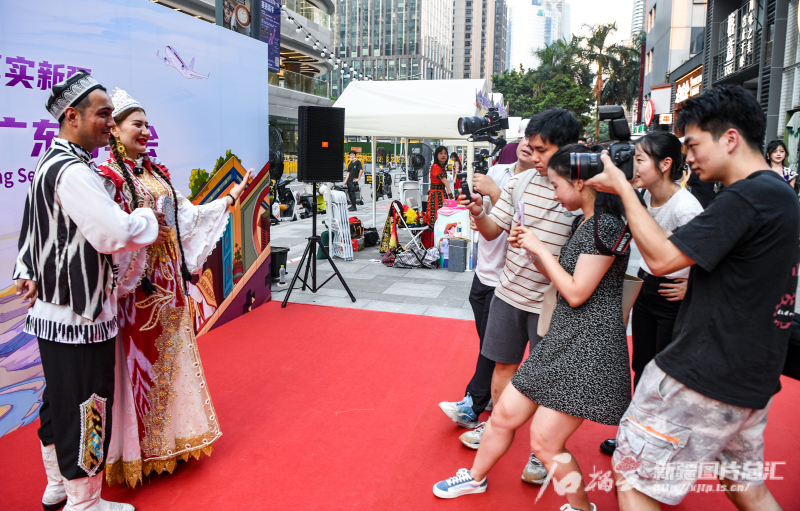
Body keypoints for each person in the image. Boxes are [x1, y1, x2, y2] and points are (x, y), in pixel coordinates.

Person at [587, 85, 798, 510]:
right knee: (746, 487)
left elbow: (662, 258)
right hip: (749, 375)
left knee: (631, 474)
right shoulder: (780, 196)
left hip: (705, 371)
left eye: (694, 144)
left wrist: (623, 189)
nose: (690, 156)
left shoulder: (748, 196)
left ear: (731, 139)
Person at [433, 145, 631, 511]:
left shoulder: (607, 227)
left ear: (580, 182)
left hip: (588, 350)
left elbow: (575, 293)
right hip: (563, 340)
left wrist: (539, 248)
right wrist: (533, 252)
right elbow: (566, 280)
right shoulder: (585, 222)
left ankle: (581, 506)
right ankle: (474, 478)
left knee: (544, 441)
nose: (554, 193)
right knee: (504, 414)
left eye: (557, 185)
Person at [15, 71, 159, 511]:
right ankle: (86, 502)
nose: (109, 124)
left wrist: (26, 266)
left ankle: (59, 484)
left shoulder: (49, 162)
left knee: (59, 402)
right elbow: (113, 233)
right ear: (72, 116)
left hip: (55, 313)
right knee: (90, 407)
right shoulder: (74, 171)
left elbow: (33, 227)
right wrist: (146, 219)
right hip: (81, 315)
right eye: (103, 114)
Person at [96, 89, 250, 487]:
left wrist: (231, 197)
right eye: (137, 124)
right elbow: (109, 236)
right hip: (137, 291)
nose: (145, 131)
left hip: (169, 286)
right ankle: (137, 454)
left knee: (173, 362)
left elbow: (189, 217)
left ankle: (172, 443)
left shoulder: (156, 174)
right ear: (114, 130)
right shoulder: (108, 178)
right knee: (139, 368)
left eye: (147, 124)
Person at [452, 108, 579, 484]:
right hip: (508, 293)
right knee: (502, 370)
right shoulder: (520, 182)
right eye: (531, 147)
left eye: (542, 150)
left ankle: (541, 452)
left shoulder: (580, 190)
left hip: (552, 302)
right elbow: (494, 231)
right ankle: (495, 429)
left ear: (566, 147)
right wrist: (478, 213)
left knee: (546, 380)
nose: (534, 156)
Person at [599, 132, 703, 456]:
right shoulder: (643, 197)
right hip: (647, 288)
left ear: (665, 164)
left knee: (666, 378)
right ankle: (632, 435)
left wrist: (692, 285)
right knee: (641, 366)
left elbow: (712, 255)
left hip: (674, 299)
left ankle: (662, 444)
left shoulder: (686, 207)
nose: (634, 166)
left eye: (640, 159)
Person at [438, 141, 531, 430]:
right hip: (485, 271)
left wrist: (494, 192)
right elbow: (491, 225)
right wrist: (478, 212)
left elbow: (527, 224)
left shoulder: (543, 181)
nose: (529, 144)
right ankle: (493, 395)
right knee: (489, 344)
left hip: (511, 278)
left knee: (492, 347)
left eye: (538, 141)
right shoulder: (497, 170)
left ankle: (472, 404)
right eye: (527, 137)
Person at [427, 146, 453, 228]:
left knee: (442, 217)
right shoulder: (436, 167)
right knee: (436, 218)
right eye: (441, 153)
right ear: (436, 155)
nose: (443, 155)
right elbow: (446, 182)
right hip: (436, 196)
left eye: (445, 153)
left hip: (441, 194)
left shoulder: (442, 167)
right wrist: (451, 197)